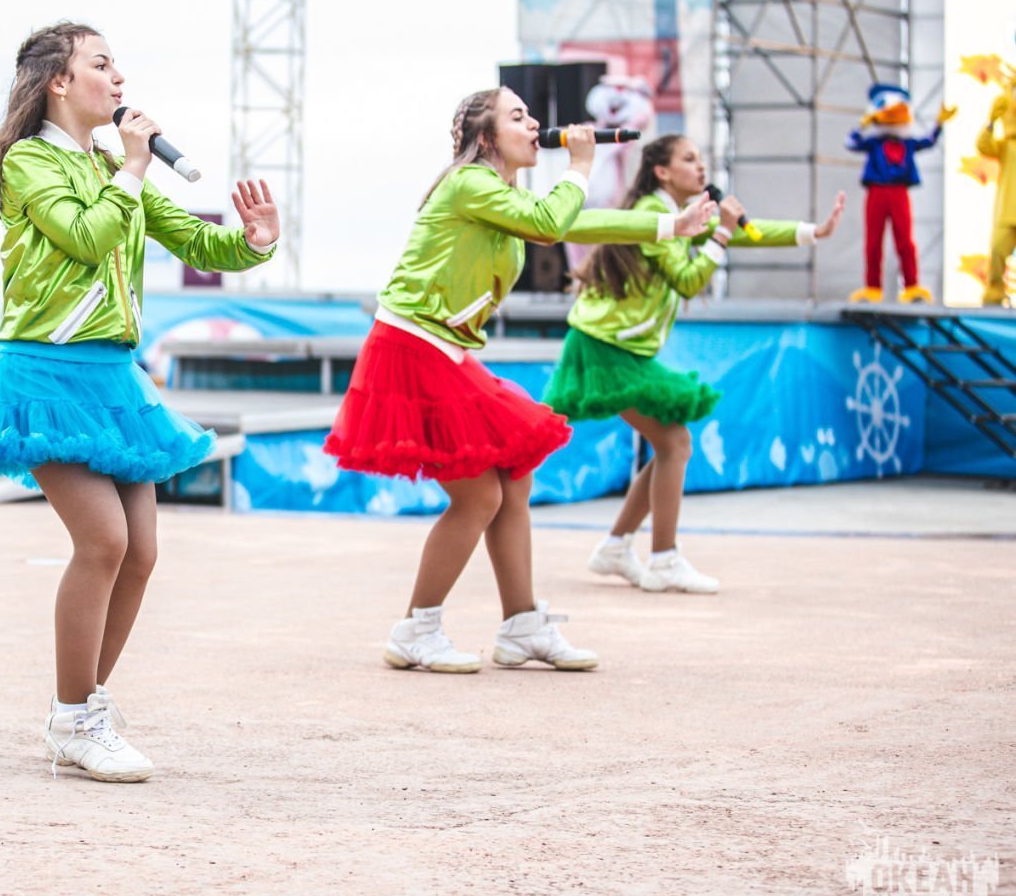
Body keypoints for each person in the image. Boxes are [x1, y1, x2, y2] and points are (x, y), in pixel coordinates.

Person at [0, 22, 280, 781]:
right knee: (102, 541)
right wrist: (131, 167)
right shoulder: (31, 161)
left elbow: (196, 242)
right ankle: (74, 717)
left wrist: (256, 241)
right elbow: (85, 237)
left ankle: (82, 708)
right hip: (43, 373)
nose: (120, 78)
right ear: (59, 82)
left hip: (112, 377)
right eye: (102, 64)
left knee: (141, 552)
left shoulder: (108, 164)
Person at [323, 87, 714, 675]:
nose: (534, 124)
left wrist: (670, 224)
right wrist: (581, 164)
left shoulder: (501, 196)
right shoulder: (469, 184)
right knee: (479, 494)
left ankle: (522, 625)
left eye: (531, 115)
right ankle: (416, 629)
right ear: (486, 137)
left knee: (513, 473)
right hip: (412, 346)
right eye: (517, 116)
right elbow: (552, 223)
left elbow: (581, 221)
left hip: (443, 349)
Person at [543, 135, 845, 593]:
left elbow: (746, 232)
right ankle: (661, 559)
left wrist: (811, 233)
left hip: (620, 348)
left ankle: (617, 546)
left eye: (701, 159)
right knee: (675, 442)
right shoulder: (654, 212)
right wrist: (720, 233)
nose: (701, 168)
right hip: (604, 348)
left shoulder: (676, 212)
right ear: (662, 172)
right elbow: (687, 280)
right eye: (689, 159)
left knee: (671, 443)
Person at [845, 83, 954, 304]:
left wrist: (939, 124)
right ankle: (873, 288)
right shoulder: (874, 143)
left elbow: (929, 141)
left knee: (905, 240)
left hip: (899, 193)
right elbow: (851, 143)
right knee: (873, 241)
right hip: (876, 192)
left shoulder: (908, 143)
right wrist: (862, 125)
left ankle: (912, 286)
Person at [975, 88, 1016, 306]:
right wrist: (991, 121)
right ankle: (994, 293)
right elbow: (983, 145)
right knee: (998, 251)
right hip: (1007, 212)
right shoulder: (1007, 146)